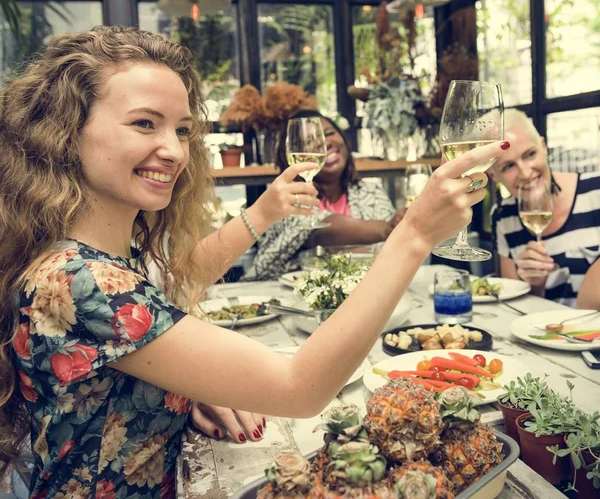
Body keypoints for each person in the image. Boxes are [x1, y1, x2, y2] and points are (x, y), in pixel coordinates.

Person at [0, 26, 504, 499]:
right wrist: (413, 235)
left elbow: (175, 286)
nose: (174, 151)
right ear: (66, 132)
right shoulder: (77, 279)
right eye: (144, 123)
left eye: (183, 129)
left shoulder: (98, 252)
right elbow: (300, 388)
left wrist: (175, 388)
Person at [243, 109, 407, 281]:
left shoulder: (371, 192)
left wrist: (334, 253)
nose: (324, 143)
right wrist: (385, 229)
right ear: (290, 154)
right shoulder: (286, 198)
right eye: (309, 141)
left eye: (328, 133)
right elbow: (317, 232)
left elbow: (393, 249)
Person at [489, 109, 600, 307]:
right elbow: (516, 309)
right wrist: (534, 285)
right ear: (494, 175)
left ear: (544, 146)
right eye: (508, 167)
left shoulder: (595, 192)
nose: (525, 173)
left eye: (529, 155)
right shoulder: (502, 216)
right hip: (543, 334)